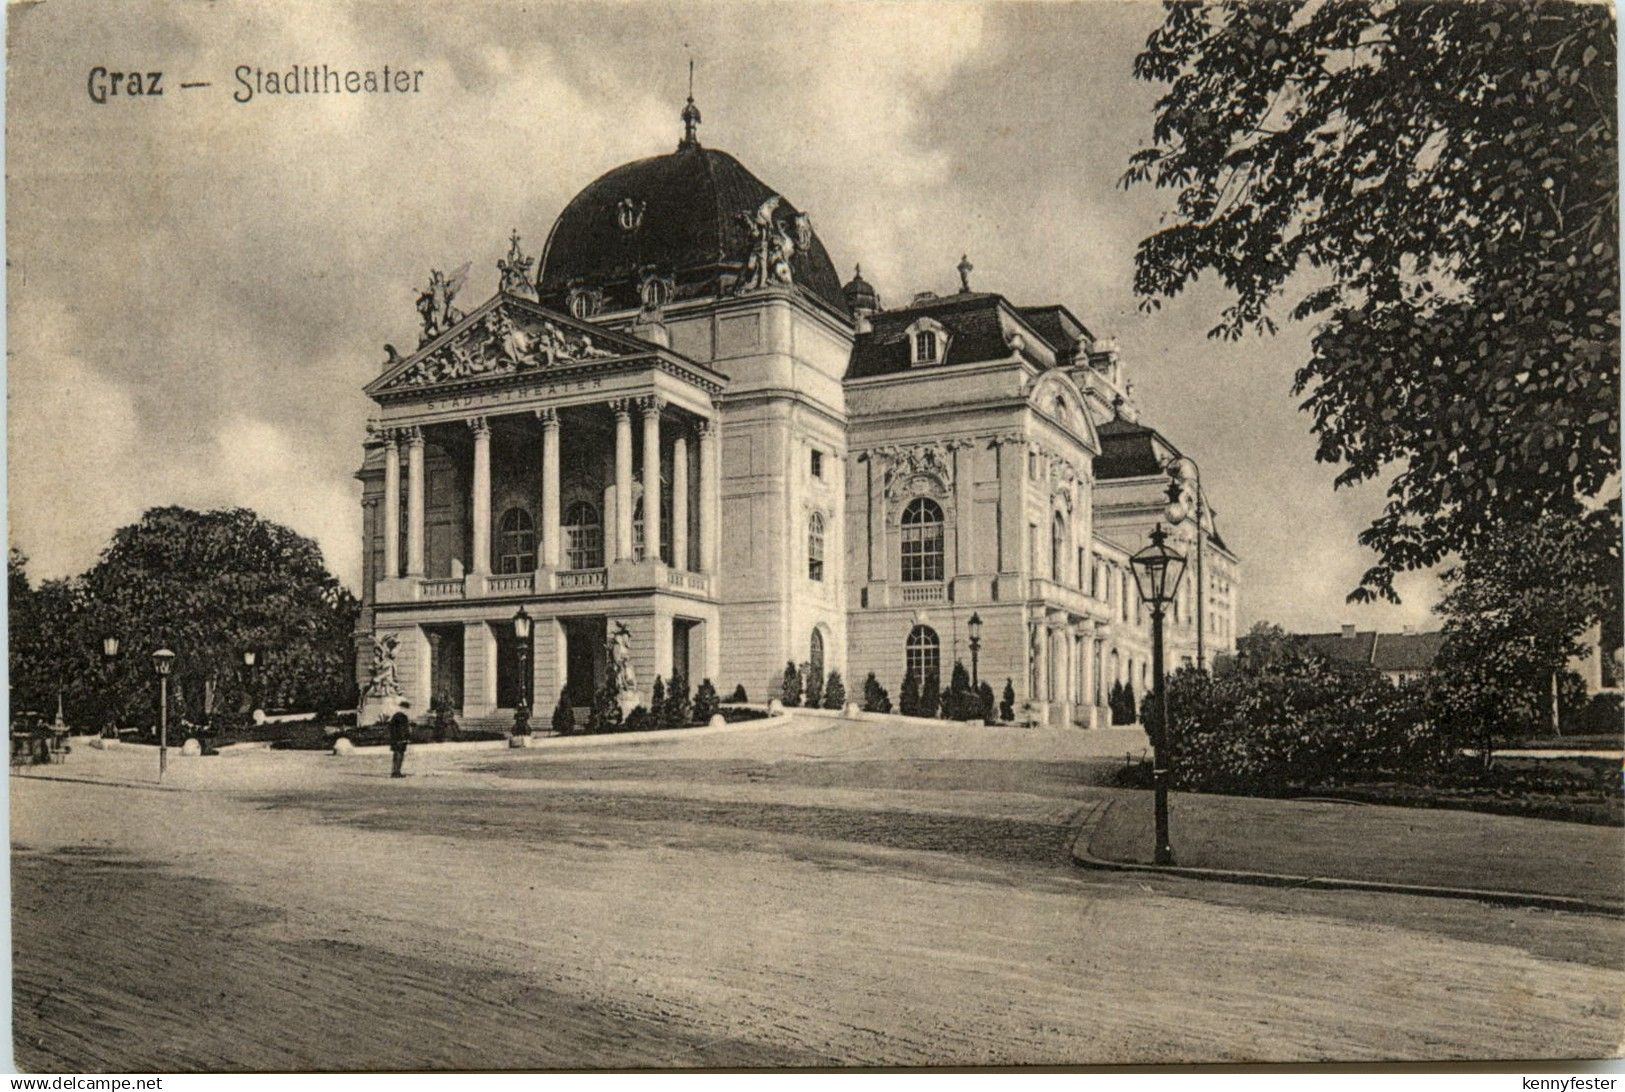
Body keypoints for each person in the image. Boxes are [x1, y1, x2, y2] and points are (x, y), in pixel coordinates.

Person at [388, 710, 411, 778]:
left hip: (395, 739)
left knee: (396, 755)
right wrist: (405, 738)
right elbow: (403, 729)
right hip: (400, 739)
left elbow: (391, 728)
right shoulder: (402, 717)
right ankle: (397, 772)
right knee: (399, 755)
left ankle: (394, 771)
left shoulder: (395, 716)